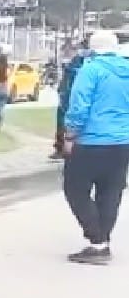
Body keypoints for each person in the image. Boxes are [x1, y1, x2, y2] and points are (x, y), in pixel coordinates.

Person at [61, 30, 129, 265]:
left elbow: (79, 105)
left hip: (91, 140)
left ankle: (97, 240)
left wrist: (70, 134)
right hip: (121, 142)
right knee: (111, 192)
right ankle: (103, 241)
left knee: (75, 188)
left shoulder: (91, 70)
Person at [50, 40, 88, 160]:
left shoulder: (82, 62)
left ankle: (65, 147)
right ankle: (61, 147)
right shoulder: (76, 61)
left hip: (72, 97)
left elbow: (69, 79)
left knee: (67, 122)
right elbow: (66, 79)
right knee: (63, 122)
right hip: (68, 96)